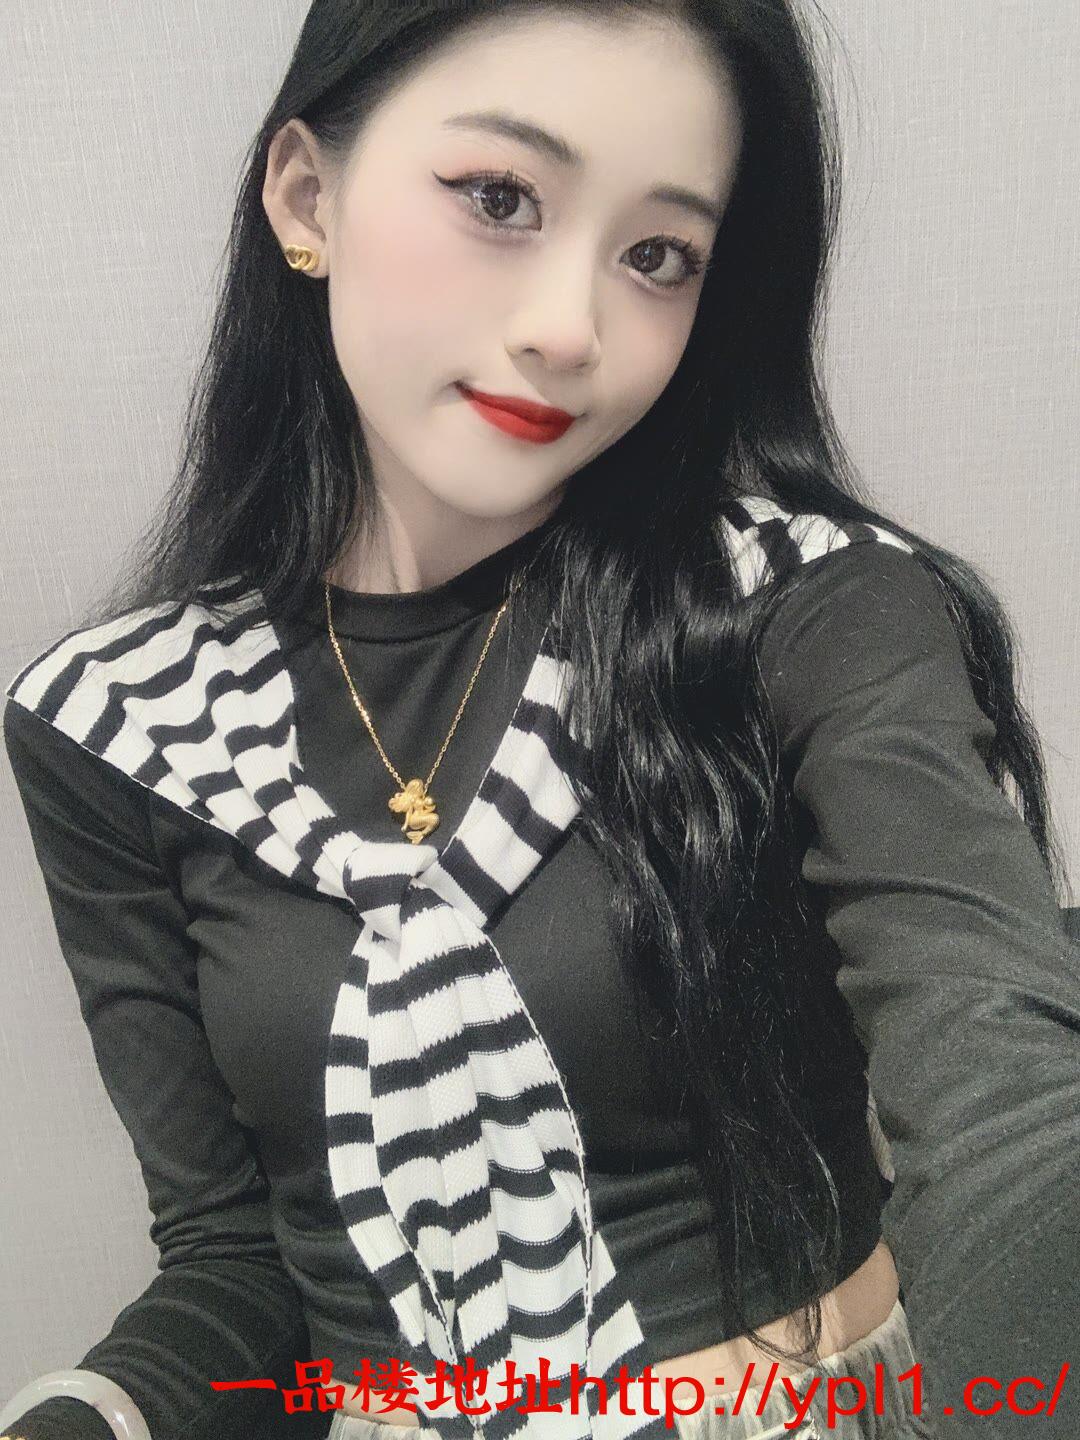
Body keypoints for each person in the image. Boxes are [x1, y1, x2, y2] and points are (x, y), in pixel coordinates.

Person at [3, 3, 1078, 1439]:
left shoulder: (801, 610)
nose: (573, 330)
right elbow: (236, 1265)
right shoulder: (122, 724)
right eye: (501, 198)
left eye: (659, 256)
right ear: (307, 197)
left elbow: (1005, 1093)